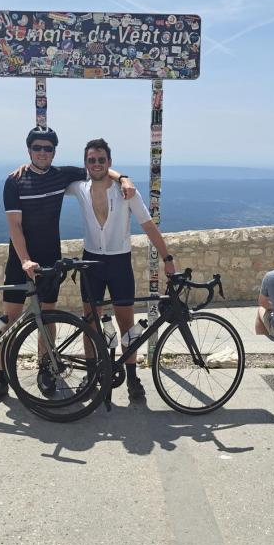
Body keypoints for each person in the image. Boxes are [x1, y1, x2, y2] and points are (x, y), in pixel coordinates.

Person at [0, 126, 135, 407]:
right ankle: (2, 378)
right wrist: (25, 259)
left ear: (54, 151)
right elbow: (14, 226)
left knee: (47, 318)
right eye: (37, 148)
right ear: (29, 150)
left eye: (48, 148)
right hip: (20, 259)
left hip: (50, 258)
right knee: (10, 317)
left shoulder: (62, 175)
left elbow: (98, 170)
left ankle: (46, 369)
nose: (42, 153)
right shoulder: (14, 181)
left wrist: (123, 177)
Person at [66, 138, 177, 400]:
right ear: (85, 163)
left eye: (101, 160)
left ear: (109, 162)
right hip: (90, 262)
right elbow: (47, 179)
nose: (96, 164)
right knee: (90, 321)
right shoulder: (78, 187)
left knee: (126, 324)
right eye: (91, 160)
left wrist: (167, 258)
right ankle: (92, 373)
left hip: (119, 263)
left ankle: (132, 377)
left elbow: (148, 225)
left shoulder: (126, 192)